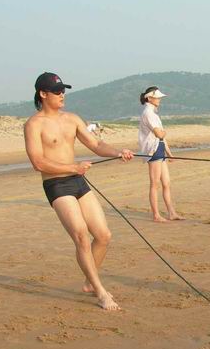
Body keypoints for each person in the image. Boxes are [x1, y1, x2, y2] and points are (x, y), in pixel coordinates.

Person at [23, 72, 134, 311]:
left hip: (78, 180)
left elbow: (96, 144)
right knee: (81, 235)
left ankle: (88, 282)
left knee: (103, 236)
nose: (62, 95)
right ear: (43, 94)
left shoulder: (72, 119)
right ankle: (100, 291)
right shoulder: (33, 124)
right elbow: (38, 163)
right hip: (56, 185)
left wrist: (118, 152)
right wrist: (73, 167)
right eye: (57, 91)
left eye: (63, 90)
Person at [138, 86, 184, 222]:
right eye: (157, 97)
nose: (159, 100)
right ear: (149, 98)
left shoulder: (154, 113)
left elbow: (162, 137)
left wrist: (169, 153)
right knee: (155, 184)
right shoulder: (148, 113)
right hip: (153, 150)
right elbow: (159, 134)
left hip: (160, 148)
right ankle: (156, 215)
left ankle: (172, 213)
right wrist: (165, 132)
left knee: (166, 183)